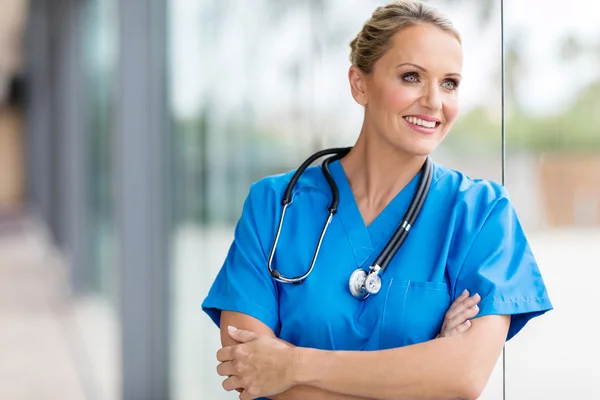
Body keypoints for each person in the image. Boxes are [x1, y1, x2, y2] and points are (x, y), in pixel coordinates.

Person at [202, 1, 553, 399]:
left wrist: (291, 365)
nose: (434, 102)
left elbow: (464, 377)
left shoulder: (481, 214)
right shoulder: (275, 205)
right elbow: (249, 372)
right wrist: (425, 368)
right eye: (411, 77)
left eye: (449, 83)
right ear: (359, 84)